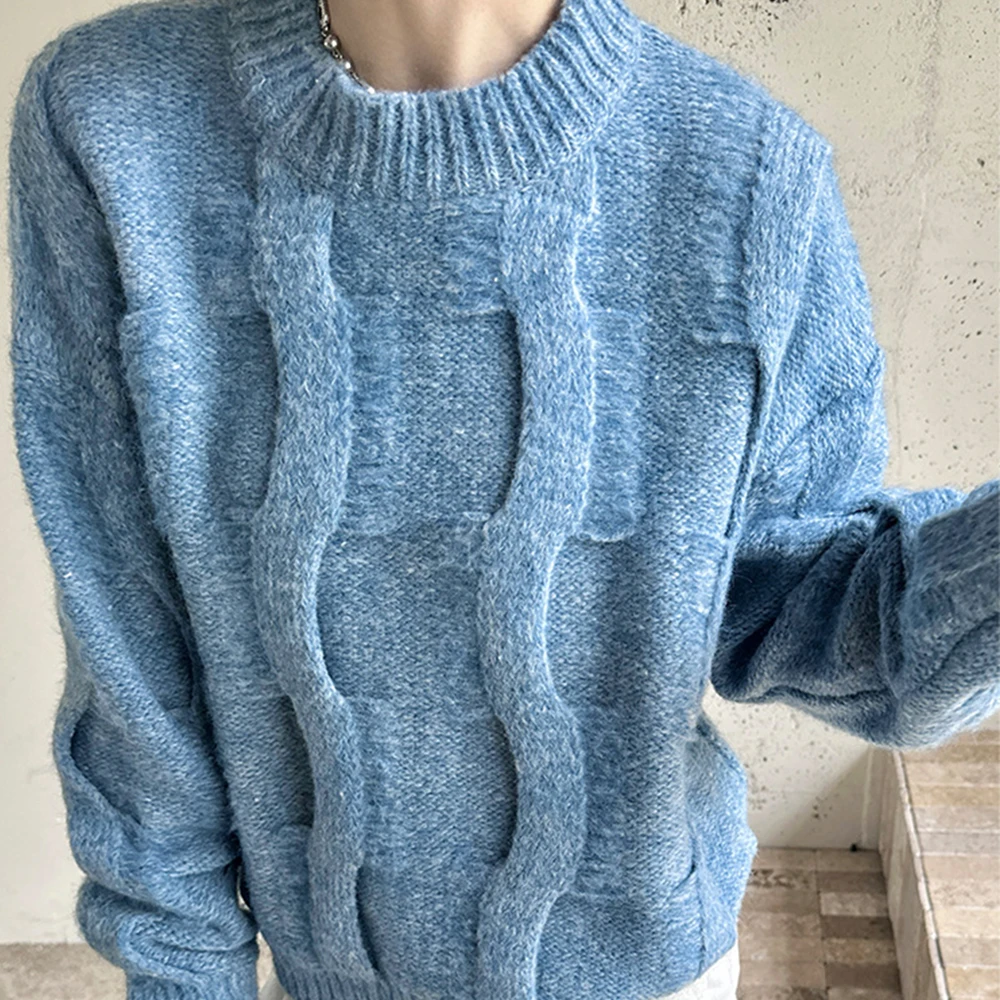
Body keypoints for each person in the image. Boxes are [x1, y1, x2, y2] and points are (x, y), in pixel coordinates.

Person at [7, 0, 998, 998]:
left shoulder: (748, 174)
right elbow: (131, 651)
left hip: (647, 972)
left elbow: (808, 612)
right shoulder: (112, 122)